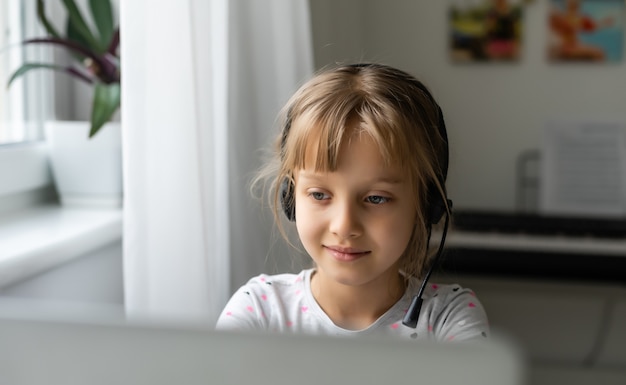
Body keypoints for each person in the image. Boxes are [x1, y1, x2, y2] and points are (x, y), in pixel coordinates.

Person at [216, 63, 489, 341]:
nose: (344, 226)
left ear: (426, 204)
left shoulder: (449, 319)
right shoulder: (259, 311)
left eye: (376, 198)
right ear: (291, 196)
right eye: (319, 194)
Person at [549, 0, 614, 61]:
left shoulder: (578, 19)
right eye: (572, 4)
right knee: (598, 53)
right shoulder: (563, 17)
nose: (575, 6)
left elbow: (592, 26)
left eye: (576, 5)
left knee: (600, 53)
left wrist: (604, 22)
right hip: (567, 47)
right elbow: (569, 27)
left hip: (573, 45)